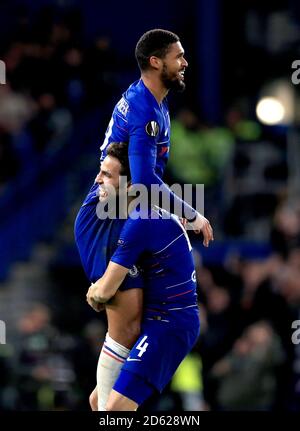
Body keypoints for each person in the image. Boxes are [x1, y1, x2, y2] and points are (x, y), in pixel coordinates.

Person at [86, 142, 201, 411]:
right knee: (96, 401)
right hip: (157, 321)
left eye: (106, 174)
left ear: (129, 186)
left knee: (114, 410)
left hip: (168, 325)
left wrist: (94, 291)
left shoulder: (140, 222)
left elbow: (103, 292)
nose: (97, 179)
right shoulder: (147, 212)